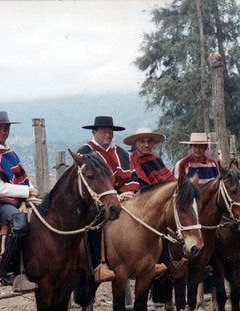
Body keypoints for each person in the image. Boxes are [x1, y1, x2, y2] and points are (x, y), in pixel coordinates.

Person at [0, 111, 38, 292]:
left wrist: (31, 190)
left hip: (17, 197)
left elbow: (22, 177)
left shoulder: (9, 152)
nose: (2, 132)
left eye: (5, 128)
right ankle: (7, 269)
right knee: (19, 223)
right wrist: (27, 191)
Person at [77, 116, 139, 282]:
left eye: (110, 132)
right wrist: (112, 197)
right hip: (95, 200)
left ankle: (151, 263)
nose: (108, 135)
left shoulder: (120, 152)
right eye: (104, 131)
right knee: (94, 222)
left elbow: (131, 177)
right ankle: (97, 265)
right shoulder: (85, 152)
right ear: (94, 132)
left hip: (123, 198)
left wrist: (128, 193)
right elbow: (85, 182)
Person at [123, 128, 181, 282]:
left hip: (161, 203)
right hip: (140, 205)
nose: (146, 145)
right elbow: (133, 184)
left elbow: (169, 182)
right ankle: (163, 264)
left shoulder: (156, 159)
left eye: (149, 141)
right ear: (136, 144)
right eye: (142, 141)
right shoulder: (131, 161)